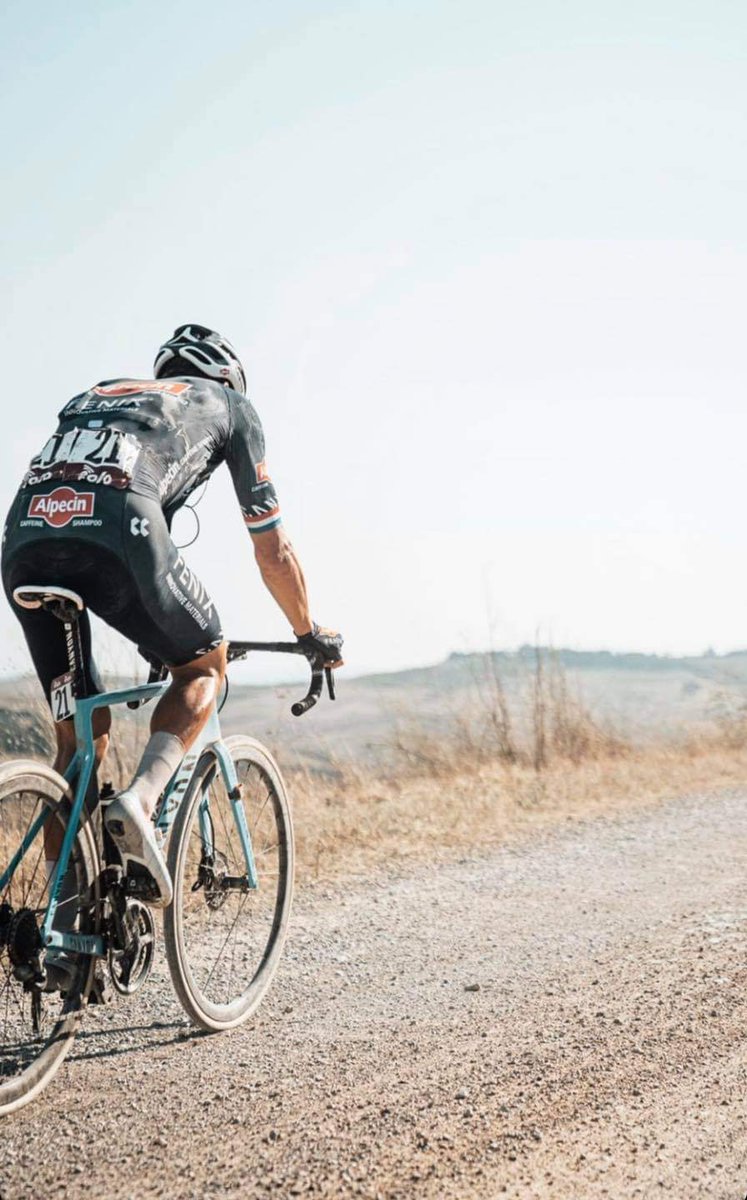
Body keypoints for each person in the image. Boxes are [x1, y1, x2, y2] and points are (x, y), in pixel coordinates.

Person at [2, 323, 343, 912]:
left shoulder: (99, 394)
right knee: (204, 666)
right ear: (227, 376)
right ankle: (141, 800)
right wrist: (308, 631)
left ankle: (62, 930)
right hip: (119, 534)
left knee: (80, 747)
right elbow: (272, 549)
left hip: (22, 545)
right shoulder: (230, 406)